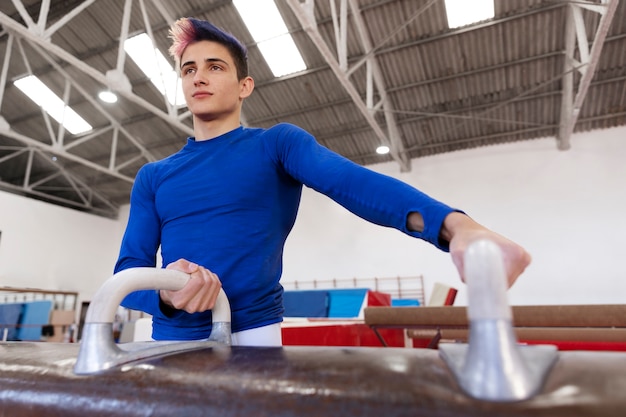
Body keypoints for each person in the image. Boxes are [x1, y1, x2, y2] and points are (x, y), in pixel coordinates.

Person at [114, 17, 531, 346]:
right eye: (189, 69)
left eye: (214, 67)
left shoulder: (276, 145)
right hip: (170, 339)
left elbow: (352, 183)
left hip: (252, 336)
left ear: (245, 86)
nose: (198, 77)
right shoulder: (154, 176)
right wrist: (166, 294)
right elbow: (128, 275)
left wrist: (456, 227)